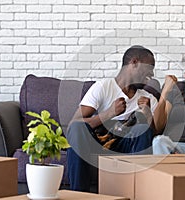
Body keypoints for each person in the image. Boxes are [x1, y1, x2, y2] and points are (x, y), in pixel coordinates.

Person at [66, 45, 158, 192]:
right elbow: (73, 125)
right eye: (150, 67)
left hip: (126, 147)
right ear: (134, 63)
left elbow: (155, 137)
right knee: (78, 128)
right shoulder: (103, 87)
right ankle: (79, 195)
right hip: (97, 145)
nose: (152, 73)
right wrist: (108, 114)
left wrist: (147, 114)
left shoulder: (149, 98)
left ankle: (140, 193)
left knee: (142, 128)